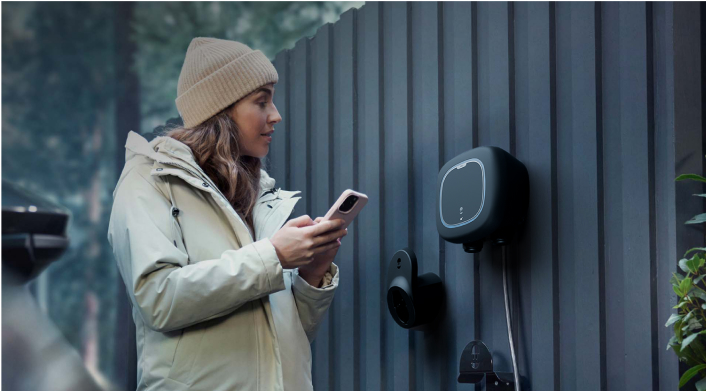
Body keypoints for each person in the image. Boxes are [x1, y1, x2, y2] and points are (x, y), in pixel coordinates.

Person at [107, 37, 347, 391]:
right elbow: (157, 299)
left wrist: (311, 276)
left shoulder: (258, 195)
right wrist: (273, 256)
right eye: (261, 101)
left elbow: (284, 341)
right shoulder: (149, 180)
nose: (276, 115)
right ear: (221, 110)